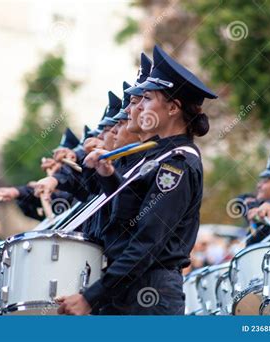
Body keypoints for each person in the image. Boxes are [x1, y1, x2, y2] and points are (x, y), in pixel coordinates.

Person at [57, 45, 217, 315]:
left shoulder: (177, 162)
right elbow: (126, 218)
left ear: (173, 108)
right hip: (127, 289)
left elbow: (147, 241)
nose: (138, 107)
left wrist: (91, 296)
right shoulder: (154, 155)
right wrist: (109, 177)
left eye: (148, 99)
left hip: (151, 294)